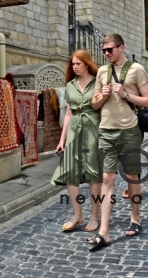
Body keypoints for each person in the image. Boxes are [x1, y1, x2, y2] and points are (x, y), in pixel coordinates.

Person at [87, 34, 148, 249]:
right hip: (106, 130)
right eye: (104, 50)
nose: (106, 53)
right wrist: (103, 96)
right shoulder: (102, 72)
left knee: (132, 177)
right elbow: (95, 104)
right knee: (107, 178)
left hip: (129, 131)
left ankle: (135, 219)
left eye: (109, 49)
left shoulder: (137, 70)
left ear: (121, 48)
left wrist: (125, 95)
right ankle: (104, 231)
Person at [52, 50, 102, 233]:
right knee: (70, 173)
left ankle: (95, 217)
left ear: (87, 64)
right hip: (74, 130)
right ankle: (77, 215)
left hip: (93, 129)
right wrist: (62, 139)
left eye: (78, 64)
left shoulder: (98, 82)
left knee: (93, 174)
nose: (74, 67)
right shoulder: (70, 85)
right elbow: (68, 113)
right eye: (72, 64)